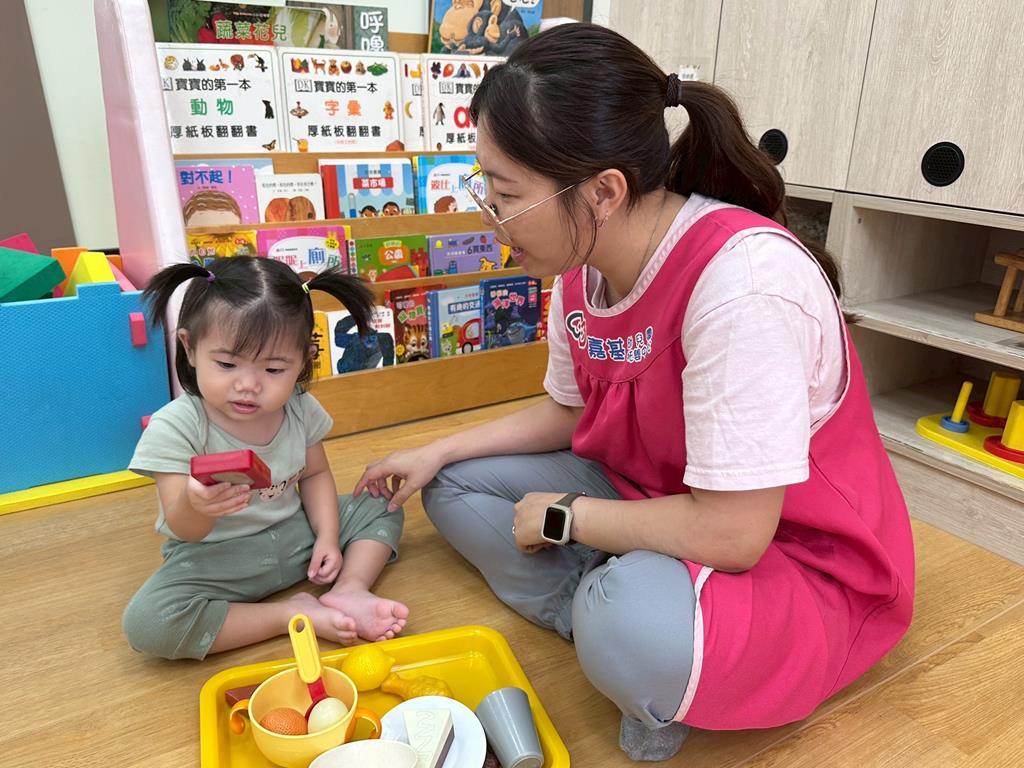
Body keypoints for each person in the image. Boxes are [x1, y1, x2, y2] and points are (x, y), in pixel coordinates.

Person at [355, 23, 914, 761]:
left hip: (788, 555)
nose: (488, 214)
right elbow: (570, 411)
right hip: (653, 493)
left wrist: (568, 517)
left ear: (604, 192)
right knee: (454, 486)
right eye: (483, 184)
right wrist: (437, 450)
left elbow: (735, 535)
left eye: (505, 193)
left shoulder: (743, 288)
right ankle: (612, 611)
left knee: (629, 627)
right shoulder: (580, 266)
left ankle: (633, 630)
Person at [123, 257, 407, 660]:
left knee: (382, 501)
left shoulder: (299, 407)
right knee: (148, 623)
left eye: (273, 369)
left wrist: (328, 536)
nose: (248, 384)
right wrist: (197, 505)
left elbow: (315, 475)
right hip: (219, 558)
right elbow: (183, 528)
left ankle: (349, 589)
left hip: (297, 536)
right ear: (189, 348)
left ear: (303, 360)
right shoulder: (176, 427)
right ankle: (290, 614)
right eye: (226, 364)